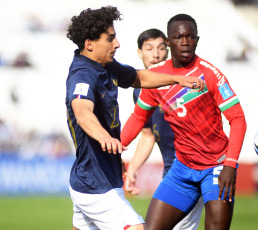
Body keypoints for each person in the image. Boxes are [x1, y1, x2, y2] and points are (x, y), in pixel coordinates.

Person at [65, 7, 204, 230]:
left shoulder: (106, 66)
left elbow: (139, 77)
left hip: (98, 176)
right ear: (89, 44)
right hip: (96, 184)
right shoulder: (83, 75)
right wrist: (104, 137)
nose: (117, 44)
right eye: (110, 39)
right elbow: (82, 112)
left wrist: (176, 79)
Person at [121, 14, 247, 230]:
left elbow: (238, 119)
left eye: (190, 37)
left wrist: (230, 165)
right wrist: (116, 147)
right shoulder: (156, 77)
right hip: (182, 170)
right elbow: (138, 118)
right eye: (179, 37)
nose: (185, 41)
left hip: (216, 168)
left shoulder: (211, 74)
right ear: (169, 42)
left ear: (197, 40)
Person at [125, 28, 204, 230]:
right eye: (149, 48)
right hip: (171, 173)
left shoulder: (184, 83)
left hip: (192, 171)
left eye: (161, 48)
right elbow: (147, 134)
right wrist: (133, 167)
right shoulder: (140, 91)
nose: (156, 54)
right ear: (139, 53)